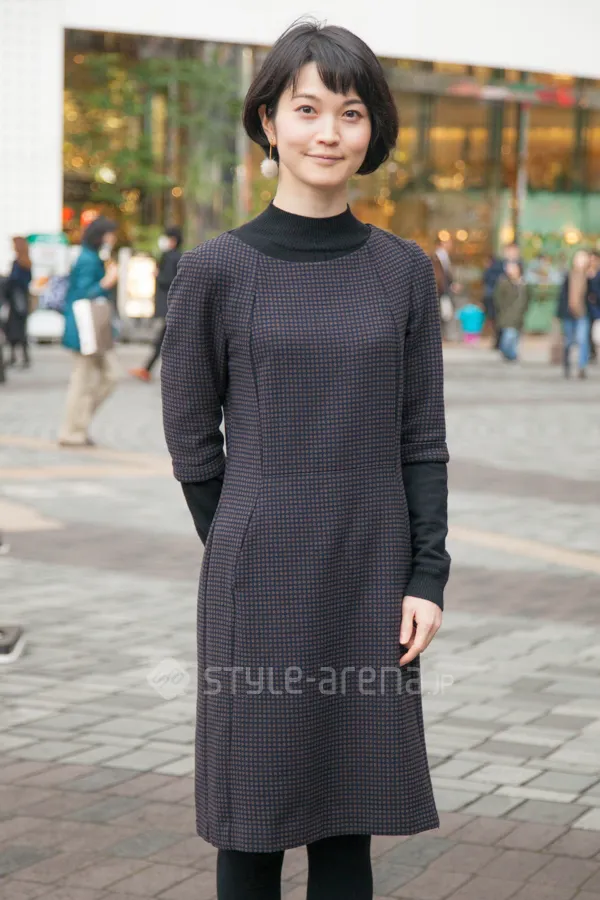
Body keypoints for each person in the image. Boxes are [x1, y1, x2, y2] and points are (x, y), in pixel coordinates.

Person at [160, 20, 450, 900]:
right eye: (308, 109)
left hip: (371, 570)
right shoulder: (213, 271)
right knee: (251, 819)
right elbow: (190, 439)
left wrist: (426, 575)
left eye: (351, 112)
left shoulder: (403, 271)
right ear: (269, 122)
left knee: (348, 816)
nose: (330, 132)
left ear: (373, 130)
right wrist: (244, 540)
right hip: (259, 573)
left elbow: (421, 437)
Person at [58, 216, 120, 446]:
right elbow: (83, 293)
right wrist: (106, 282)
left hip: (89, 329)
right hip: (85, 330)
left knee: (101, 377)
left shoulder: (91, 256)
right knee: (84, 380)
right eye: (111, 234)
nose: (113, 239)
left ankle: (77, 426)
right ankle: (72, 431)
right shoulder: (88, 259)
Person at [129, 226, 183, 382]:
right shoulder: (179, 256)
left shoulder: (170, 257)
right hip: (173, 305)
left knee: (166, 340)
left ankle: (148, 369)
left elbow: (168, 280)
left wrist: (157, 275)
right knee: (165, 339)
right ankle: (146, 369)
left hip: (169, 305)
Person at [557, 249, 591, 379]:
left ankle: (582, 366)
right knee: (569, 341)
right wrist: (559, 313)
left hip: (583, 313)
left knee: (583, 340)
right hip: (568, 313)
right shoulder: (568, 276)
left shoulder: (590, 277)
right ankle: (567, 363)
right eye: (579, 259)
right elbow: (562, 296)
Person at [4, 237, 32, 368]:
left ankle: (16, 357)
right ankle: (23, 357)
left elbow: (14, 281)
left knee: (14, 329)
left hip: (16, 300)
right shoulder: (27, 262)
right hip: (22, 299)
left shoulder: (18, 263)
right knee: (20, 329)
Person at [493, 260, 530, 362]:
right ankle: (512, 355)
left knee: (514, 337)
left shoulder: (523, 283)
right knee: (509, 336)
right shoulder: (504, 282)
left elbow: (527, 298)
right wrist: (502, 309)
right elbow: (498, 298)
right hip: (507, 314)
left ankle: (510, 354)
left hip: (519, 315)